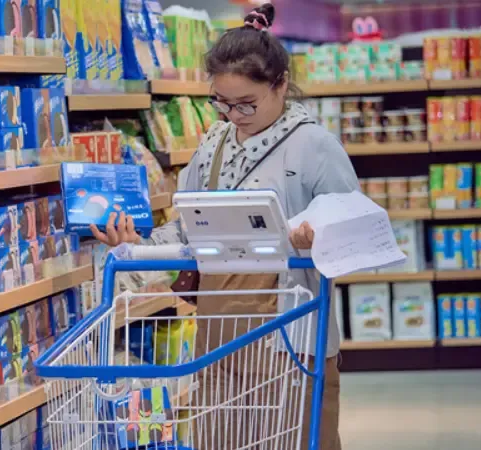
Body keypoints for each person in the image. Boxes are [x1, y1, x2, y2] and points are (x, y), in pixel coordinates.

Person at [90, 4, 357, 450]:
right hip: (218, 333)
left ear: (281, 85)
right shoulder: (214, 143)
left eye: (247, 103)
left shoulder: (315, 147)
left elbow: (355, 232)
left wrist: (319, 239)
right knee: (222, 437)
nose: (233, 114)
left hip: (290, 334)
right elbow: (190, 225)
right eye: (222, 102)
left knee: (295, 437)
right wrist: (142, 245)